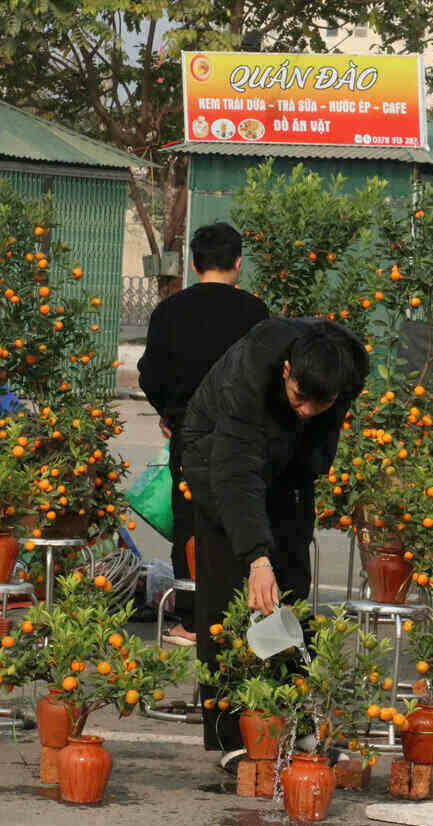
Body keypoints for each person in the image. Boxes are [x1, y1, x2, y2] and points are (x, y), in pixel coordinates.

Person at [181, 318, 368, 770]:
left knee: (291, 591)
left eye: (319, 404)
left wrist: (300, 486)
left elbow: (316, 441)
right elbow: (237, 474)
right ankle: (230, 736)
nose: (306, 410)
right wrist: (256, 557)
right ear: (286, 370)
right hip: (215, 458)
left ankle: (294, 724)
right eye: (299, 398)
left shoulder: (346, 369)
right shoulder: (253, 371)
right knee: (230, 595)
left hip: (285, 469)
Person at [137, 223, 268, 645]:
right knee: (241, 516)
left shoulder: (170, 312)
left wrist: (169, 413)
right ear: (238, 263)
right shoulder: (256, 314)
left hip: (188, 436)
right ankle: (240, 613)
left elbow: (150, 373)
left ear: (194, 264)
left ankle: (194, 621)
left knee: (190, 521)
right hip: (243, 438)